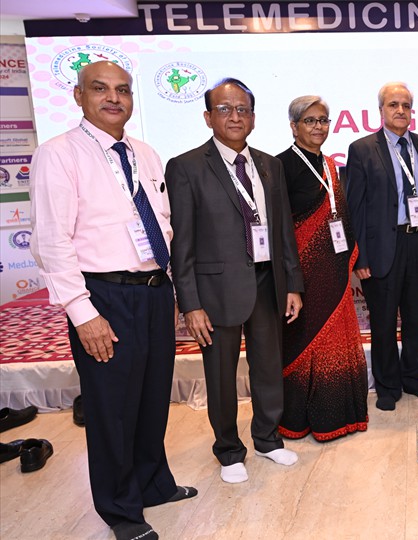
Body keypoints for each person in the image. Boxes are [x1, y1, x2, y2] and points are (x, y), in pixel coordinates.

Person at [30, 61, 195, 540]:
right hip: (103, 295)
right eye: (100, 89)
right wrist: (83, 313)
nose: (113, 98)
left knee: (151, 398)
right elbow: (51, 242)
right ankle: (121, 510)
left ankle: (153, 484)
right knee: (111, 408)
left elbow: (161, 224)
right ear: (78, 96)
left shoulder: (145, 152)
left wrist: (172, 288)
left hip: (154, 291)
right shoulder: (58, 154)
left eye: (122, 90)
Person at [167, 78, 304, 484]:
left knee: (268, 367)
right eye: (224, 109)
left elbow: (283, 231)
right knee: (221, 375)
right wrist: (190, 304)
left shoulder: (270, 165)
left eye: (242, 109)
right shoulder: (186, 167)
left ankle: (268, 438)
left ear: (254, 118)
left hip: (267, 283)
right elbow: (182, 244)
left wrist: (292, 283)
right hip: (215, 291)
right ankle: (228, 450)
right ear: (208, 116)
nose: (234, 117)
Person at [345, 82, 418, 411]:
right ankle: (388, 385)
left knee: (417, 318)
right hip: (382, 247)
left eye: (405, 105)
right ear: (381, 111)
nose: (400, 110)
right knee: (384, 321)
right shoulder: (362, 149)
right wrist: (360, 256)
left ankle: (414, 377)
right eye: (393, 105)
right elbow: (356, 208)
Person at [275, 95, 369, 440]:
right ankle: (298, 419)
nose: (318, 127)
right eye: (310, 121)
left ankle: (339, 415)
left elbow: (341, 214)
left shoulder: (330, 164)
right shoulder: (280, 166)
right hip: (302, 273)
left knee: (336, 339)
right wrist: (290, 280)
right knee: (303, 341)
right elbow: (279, 228)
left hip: (335, 269)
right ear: (294, 126)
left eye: (323, 120)